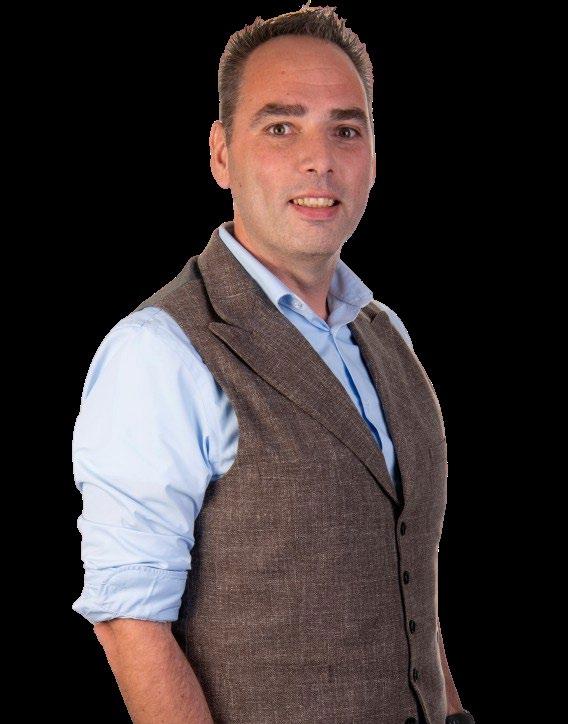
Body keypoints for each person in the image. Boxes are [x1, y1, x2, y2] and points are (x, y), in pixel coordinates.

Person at [72, 6, 475, 723]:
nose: (319, 160)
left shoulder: (387, 335)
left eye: (345, 130)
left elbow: (409, 577)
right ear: (221, 153)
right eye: (281, 128)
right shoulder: (160, 351)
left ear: (372, 155)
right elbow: (131, 623)